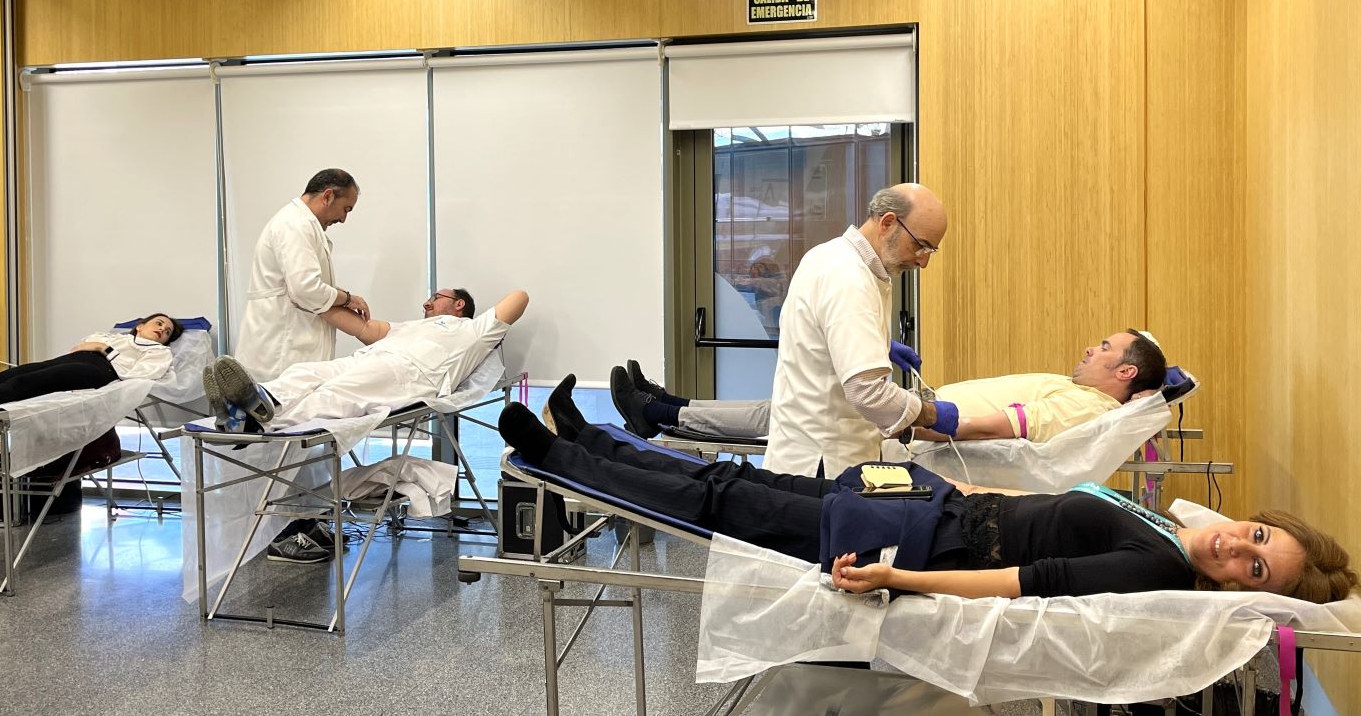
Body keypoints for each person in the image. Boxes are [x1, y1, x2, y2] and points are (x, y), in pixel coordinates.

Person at [506, 386, 1357, 604]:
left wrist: (896, 580)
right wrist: (948, 483)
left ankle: (564, 461)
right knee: (740, 478)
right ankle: (590, 440)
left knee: (726, 504)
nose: (1234, 548)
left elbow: (1020, 583)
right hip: (932, 502)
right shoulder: (1168, 530)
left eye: (1253, 570)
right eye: (1255, 536)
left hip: (925, 543)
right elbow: (1036, 512)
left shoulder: (1157, 570)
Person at [205, 288, 528, 564]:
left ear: (459, 304)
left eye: (436, 297)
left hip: (407, 373)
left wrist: (480, 322)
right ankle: (252, 403)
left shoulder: (474, 332)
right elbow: (364, 328)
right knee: (306, 372)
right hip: (368, 357)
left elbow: (520, 297)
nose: (426, 303)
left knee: (333, 395)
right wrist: (325, 298)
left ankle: (249, 424)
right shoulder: (412, 326)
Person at [732, 183, 949, 478]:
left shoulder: (828, 255)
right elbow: (867, 392)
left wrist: (878, 344)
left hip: (811, 450)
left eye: (930, 250)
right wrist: (931, 413)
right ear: (887, 223)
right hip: (823, 463)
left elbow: (822, 334)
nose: (923, 261)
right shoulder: (849, 277)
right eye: (920, 246)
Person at [611, 330, 1167, 444]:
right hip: (922, 413)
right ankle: (669, 404)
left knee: (782, 415)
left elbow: (1009, 427)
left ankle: (660, 414)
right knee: (784, 407)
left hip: (918, 427)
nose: (1090, 349)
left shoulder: (1085, 406)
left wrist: (930, 422)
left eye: (1105, 348)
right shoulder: (1080, 391)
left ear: (1125, 373)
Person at [232, 168, 372, 383]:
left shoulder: (302, 224)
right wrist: (348, 299)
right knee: (279, 401)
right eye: (346, 209)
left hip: (289, 350)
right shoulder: (294, 225)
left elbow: (306, 286)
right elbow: (305, 289)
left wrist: (341, 297)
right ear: (327, 196)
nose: (343, 219)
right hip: (280, 354)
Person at [0, 314, 183, 414]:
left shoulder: (160, 353)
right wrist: (99, 346)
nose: (163, 329)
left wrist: (103, 350)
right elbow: (81, 346)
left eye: (168, 331)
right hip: (77, 360)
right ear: (140, 325)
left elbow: (140, 374)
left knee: (25, 382)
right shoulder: (115, 337)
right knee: (9, 375)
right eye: (159, 323)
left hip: (100, 370)